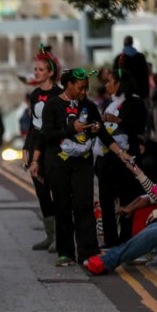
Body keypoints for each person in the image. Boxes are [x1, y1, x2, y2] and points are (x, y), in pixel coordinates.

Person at [41, 68, 134, 265]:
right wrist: (70, 129)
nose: (84, 92)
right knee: (62, 207)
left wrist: (120, 152)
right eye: (80, 88)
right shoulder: (52, 105)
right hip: (58, 164)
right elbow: (48, 135)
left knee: (84, 206)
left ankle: (88, 251)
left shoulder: (89, 107)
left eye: (86, 88)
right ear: (69, 85)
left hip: (82, 163)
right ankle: (65, 252)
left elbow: (103, 134)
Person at [94, 69, 147, 247]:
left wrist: (118, 121)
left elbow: (139, 127)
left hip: (126, 157)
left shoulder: (135, 102)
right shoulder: (109, 102)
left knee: (127, 198)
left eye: (110, 82)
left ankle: (126, 238)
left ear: (120, 84)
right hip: (106, 157)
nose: (107, 85)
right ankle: (110, 239)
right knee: (106, 200)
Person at [25, 44, 62, 252]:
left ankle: (61, 236)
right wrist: (26, 148)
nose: (36, 72)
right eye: (35, 69)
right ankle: (50, 235)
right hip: (35, 146)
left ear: (50, 72)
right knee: (41, 191)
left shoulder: (59, 94)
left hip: (52, 148)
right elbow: (33, 124)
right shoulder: (34, 94)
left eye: (40, 69)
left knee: (56, 190)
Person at [112, 36, 149, 100]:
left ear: (124, 43)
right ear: (132, 43)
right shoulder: (141, 57)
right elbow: (145, 76)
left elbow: (115, 75)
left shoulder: (119, 58)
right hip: (139, 91)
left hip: (123, 92)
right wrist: (146, 94)